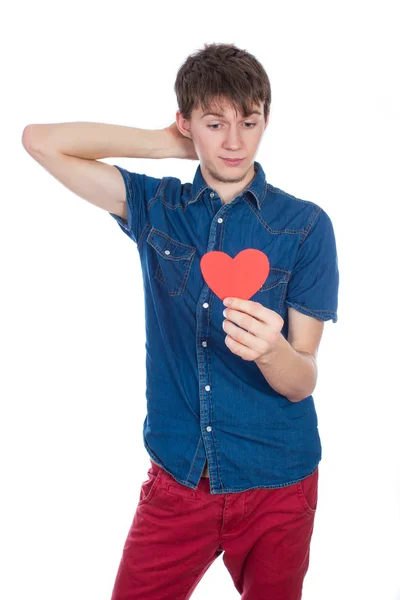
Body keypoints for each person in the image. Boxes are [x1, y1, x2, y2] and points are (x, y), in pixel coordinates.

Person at [22, 42, 339, 600]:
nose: (235, 141)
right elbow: (40, 141)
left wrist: (273, 351)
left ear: (267, 119)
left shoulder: (306, 226)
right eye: (214, 123)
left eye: (249, 121)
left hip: (279, 482)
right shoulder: (155, 206)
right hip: (179, 478)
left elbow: (304, 378)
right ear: (186, 122)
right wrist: (163, 146)